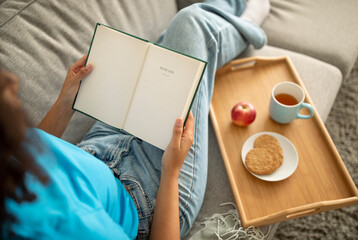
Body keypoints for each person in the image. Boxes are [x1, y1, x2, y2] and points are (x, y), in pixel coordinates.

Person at [0, 0, 269, 239]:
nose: (12, 80)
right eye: (3, 90)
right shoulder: (72, 225)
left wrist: (66, 102)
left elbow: (33, 155)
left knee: (166, 57)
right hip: (150, 192)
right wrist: (172, 170)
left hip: (98, 146)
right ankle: (250, 22)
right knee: (191, 25)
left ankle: (235, 11)